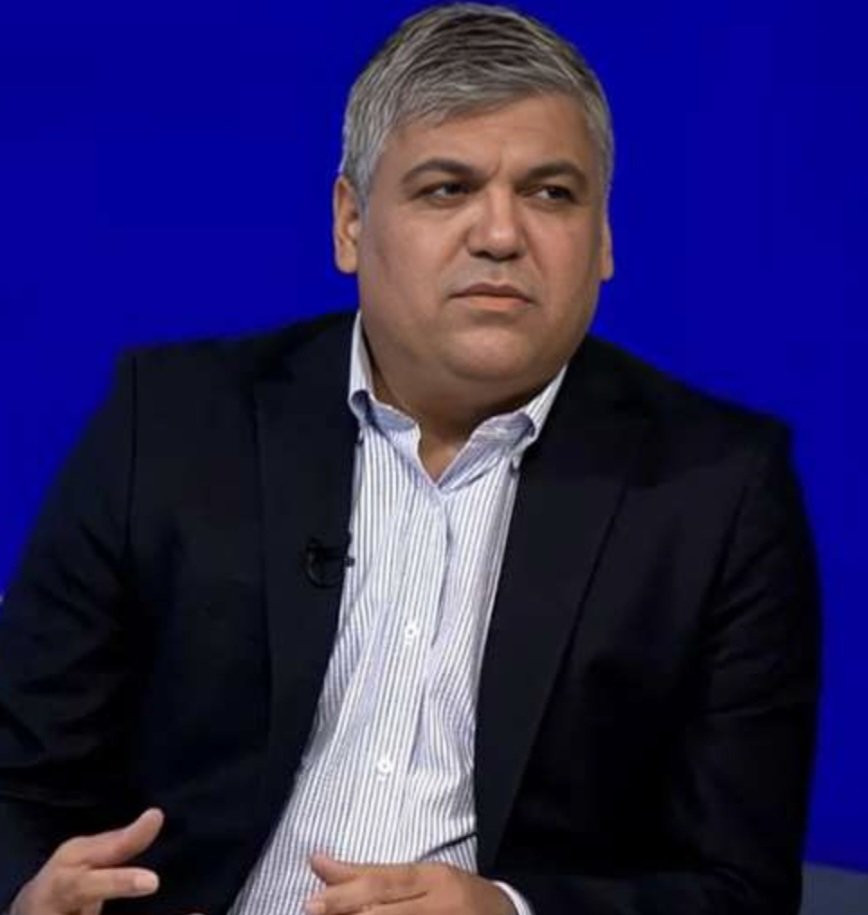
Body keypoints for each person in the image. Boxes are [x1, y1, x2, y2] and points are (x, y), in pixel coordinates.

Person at [0, 4, 820, 915]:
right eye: (446, 189)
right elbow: (19, 777)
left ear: (605, 240)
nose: (501, 235)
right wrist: (32, 894)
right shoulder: (171, 423)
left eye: (552, 193)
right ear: (350, 223)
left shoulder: (717, 489)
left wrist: (508, 912)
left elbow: (739, 887)